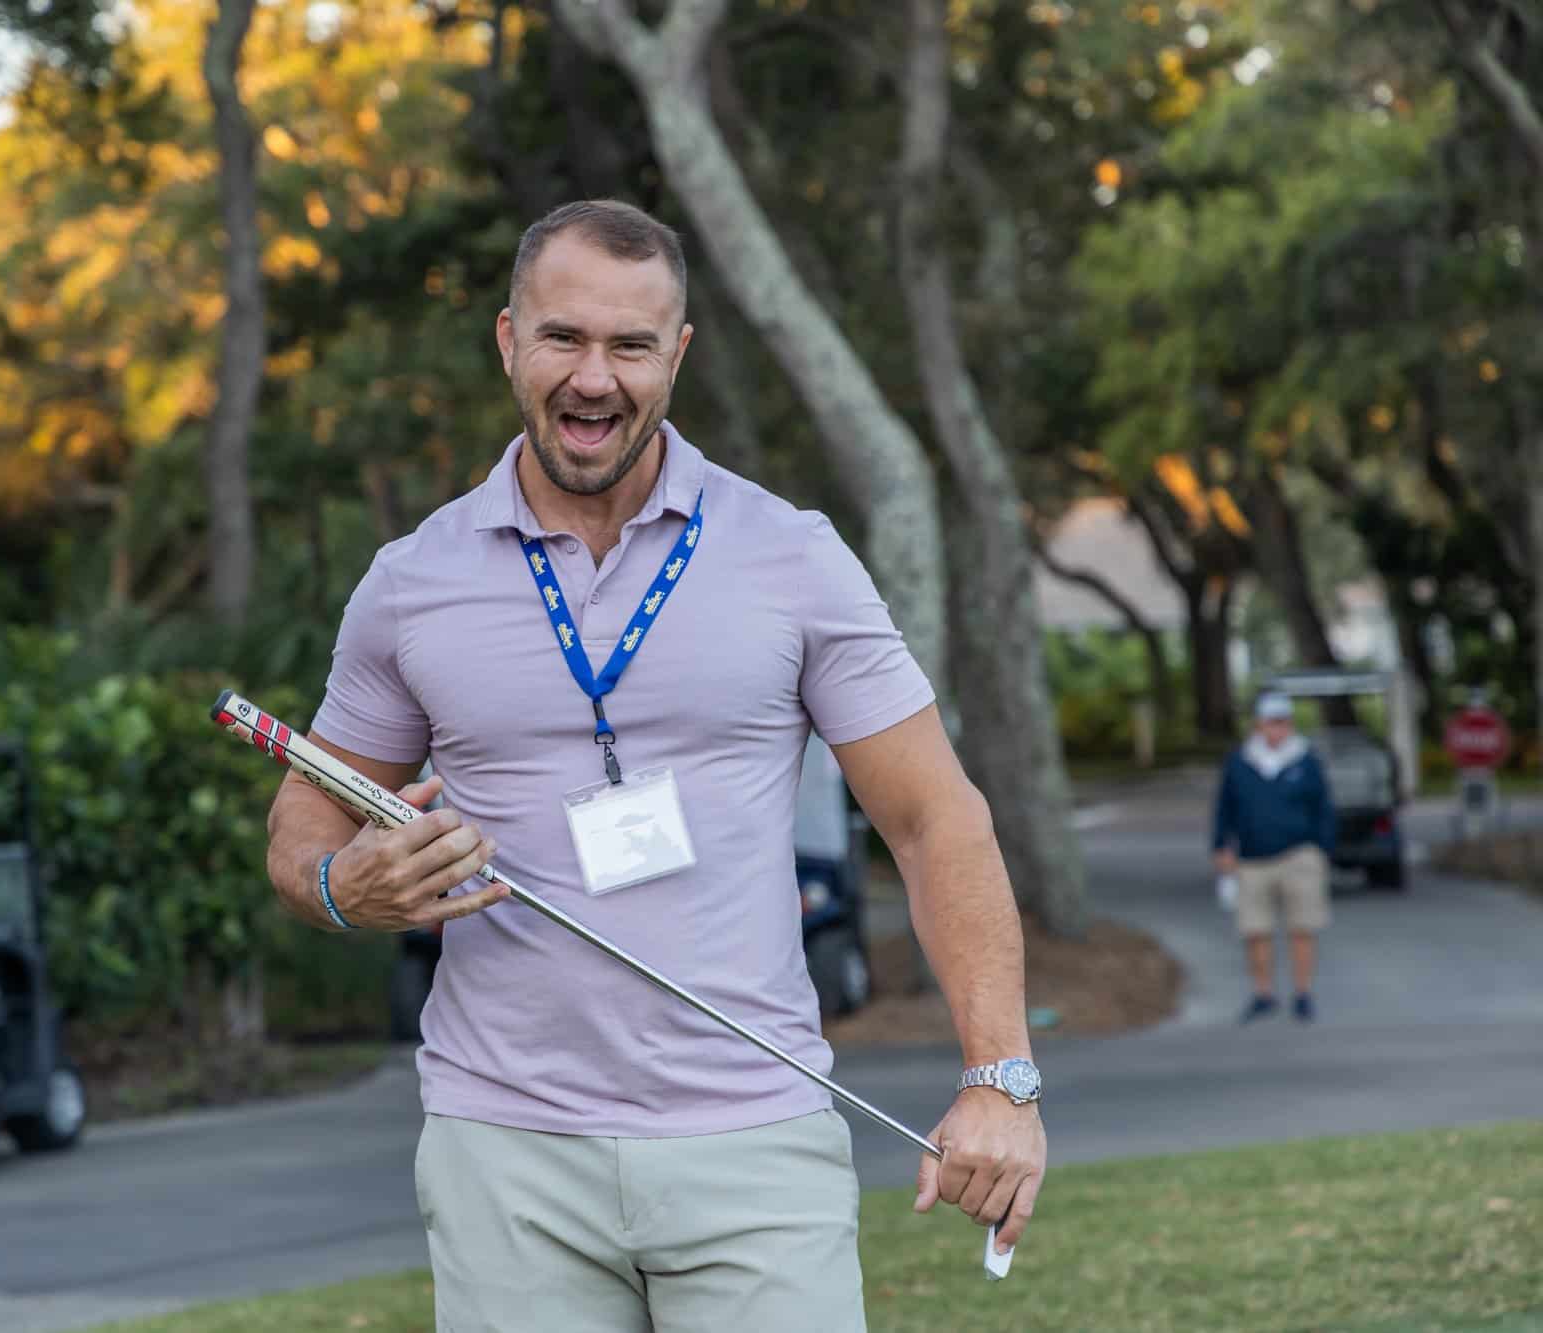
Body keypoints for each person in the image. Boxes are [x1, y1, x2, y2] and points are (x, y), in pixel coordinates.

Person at [264, 199, 1045, 1330]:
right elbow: (304, 814)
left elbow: (934, 820)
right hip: (505, 1151)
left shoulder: (791, 555)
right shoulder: (409, 580)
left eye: (629, 345)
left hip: (753, 1134)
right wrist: (346, 886)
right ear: (505, 341)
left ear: (675, 355)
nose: (594, 379)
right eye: (562, 339)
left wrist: (999, 1076)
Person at [1212, 690, 1338, 1024]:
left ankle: (1303, 993)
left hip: (1299, 855)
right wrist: (1221, 847)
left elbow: (1324, 808)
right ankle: (1263, 993)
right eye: (1271, 722)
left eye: (1283, 722)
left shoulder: (1305, 760)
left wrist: (1322, 849)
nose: (1277, 729)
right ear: (1259, 724)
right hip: (1252, 859)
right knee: (1256, 930)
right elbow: (1224, 808)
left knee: (1302, 927)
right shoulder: (1240, 761)